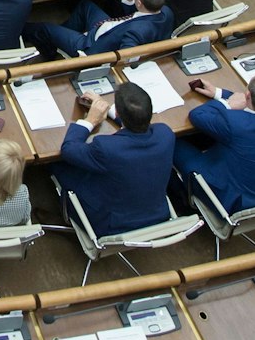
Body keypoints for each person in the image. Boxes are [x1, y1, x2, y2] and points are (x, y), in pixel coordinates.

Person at [53, 83, 176, 236]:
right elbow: (138, 126)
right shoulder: (165, 134)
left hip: (112, 226)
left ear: (117, 113)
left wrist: (91, 119)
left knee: (58, 166)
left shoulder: (106, 148)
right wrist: (105, 108)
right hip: (157, 216)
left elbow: (69, 149)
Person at [175, 72, 255, 213]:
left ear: (247, 95)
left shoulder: (235, 124)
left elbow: (197, 115)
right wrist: (219, 93)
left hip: (239, 203)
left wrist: (226, 103)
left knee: (174, 142)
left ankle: (180, 201)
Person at [29, 0, 173, 58]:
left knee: (44, 28)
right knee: (86, 6)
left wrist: (88, 58)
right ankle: (61, 37)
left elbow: (125, 58)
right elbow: (137, 16)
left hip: (90, 46)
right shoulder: (165, 11)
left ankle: (43, 45)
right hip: (106, 26)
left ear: (140, 2)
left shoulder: (135, 32)